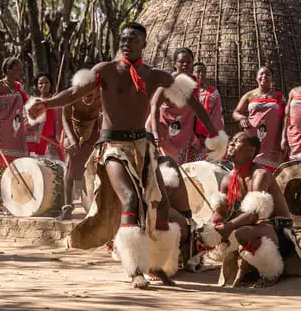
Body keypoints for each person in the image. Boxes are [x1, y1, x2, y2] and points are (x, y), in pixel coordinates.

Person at [27, 22, 228, 289]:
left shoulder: (153, 75)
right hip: (113, 148)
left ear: (144, 44)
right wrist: (45, 104)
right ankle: (134, 269)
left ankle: (158, 265)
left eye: (133, 38)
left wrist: (214, 133)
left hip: (143, 148)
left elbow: (190, 98)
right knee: (131, 200)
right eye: (123, 38)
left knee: (162, 205)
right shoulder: (106, 70)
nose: (126, 42)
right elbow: (74, 92)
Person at [197, 132, 300, 287]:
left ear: (251, 150)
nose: (231, 144)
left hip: (278, 233)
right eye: (231, 140)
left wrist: (229, 226)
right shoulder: (228, 178)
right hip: (253, 228)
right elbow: (221, 212)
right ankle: (249, 268)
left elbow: (254, 214)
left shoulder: (260, 175)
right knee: (214, 231)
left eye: (237, 141)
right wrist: (211, 229)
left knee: (241, 232)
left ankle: (272, 272)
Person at [149, 49, 225, 163]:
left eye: (188, 62)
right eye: (181, 61)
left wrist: (214, 133)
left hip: (183, 132)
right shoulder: (168, 82)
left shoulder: (190, 84)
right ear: (175, 64)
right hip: (162, 131)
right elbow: (154, 105)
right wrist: (155, 133)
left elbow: (199, 110)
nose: (185, 64)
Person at [0, 57, 29, 214]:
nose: (21, 72)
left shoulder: (18, 88)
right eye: (18, 69)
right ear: (9, 70)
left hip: (17, 135)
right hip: (1, 134)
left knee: (16, 168)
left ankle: (13, 201)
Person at [58, 79, 102, 220]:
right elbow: (65, 118)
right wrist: (72, 139)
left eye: (91, 94)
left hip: (94, 128)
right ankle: (67, 207)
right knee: (70, 167)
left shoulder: (103, 95)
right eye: (84, 93)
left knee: (97, 165)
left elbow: (108, 116)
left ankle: (97, 207)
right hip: (74, 129)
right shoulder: (71, 95)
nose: (88, 96)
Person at [232, 66, 285, 172]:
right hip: (252, 136)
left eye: (267, 74)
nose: (264, 76)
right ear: (256, 77)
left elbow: (285, 117)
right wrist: (242, 118)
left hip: (272, 140)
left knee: (271, 174)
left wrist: (284, 137)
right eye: (261, 74)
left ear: (272, 78)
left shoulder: (279, 96)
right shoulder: (249, 95)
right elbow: (235, 113)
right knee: (249, 171)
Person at [26, 72, 64, 161]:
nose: (44, 85)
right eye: (41, 83)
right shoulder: (33, 102)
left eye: (47, 82)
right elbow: (28, 122)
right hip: (38, 141)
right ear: (36, 86)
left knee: (55, 169)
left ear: (51, 84)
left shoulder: (56, 101)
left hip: (53, 143)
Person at [192, 62, 225, 159]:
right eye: (198, 72)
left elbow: (217, 115)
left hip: (208, 135)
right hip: (190, 135)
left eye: (203, 72)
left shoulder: (213, 93)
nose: (201, 74)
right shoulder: (188, 91)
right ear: (192, 73)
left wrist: (211, 134)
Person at [282, 86, 301, 161]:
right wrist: (283, 137)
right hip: (294, 136)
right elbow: (286, 116)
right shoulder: (293, 91)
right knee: (295, 168)